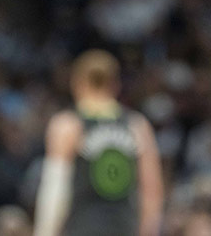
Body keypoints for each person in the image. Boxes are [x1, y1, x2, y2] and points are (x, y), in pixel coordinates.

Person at [34, 50, 163, 236]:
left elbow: (55, 188)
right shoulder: (137, 126)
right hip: (125, 228)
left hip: (81, 228)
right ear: (116, 84)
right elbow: (152, 191)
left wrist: (45, 232)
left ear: (77, 82)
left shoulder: (68, 125)